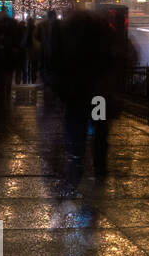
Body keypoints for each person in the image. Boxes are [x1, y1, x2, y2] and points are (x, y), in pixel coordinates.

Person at [56, 11, 135, 188]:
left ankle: (78, 159)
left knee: (77, 126)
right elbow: (119, 60)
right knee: (99, 127)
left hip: (77, 93)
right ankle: (99, 163)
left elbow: (60, 64)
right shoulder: (105, 39)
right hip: (97, 93)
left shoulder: (71, 40)